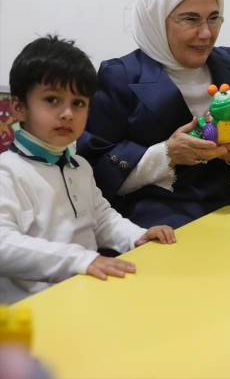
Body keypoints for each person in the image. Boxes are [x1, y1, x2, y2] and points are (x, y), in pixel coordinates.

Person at [76, 0, 230, 229]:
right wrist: (167, 154)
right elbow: (95, 170)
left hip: (222, 204)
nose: (206, 33)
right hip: (150, 215)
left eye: (213, 18)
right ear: (155, 20)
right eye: (190, 19)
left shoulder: (227, 63)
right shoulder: (121, 75)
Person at [0, 36, 176, 305]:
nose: (67, 113)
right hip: (32, 309)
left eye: (79, 103)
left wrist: (137, 236)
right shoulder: (7, 172)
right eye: (52, 99)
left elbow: (102, 219)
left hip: (84, 296)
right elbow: (3, 245)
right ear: (19, 107)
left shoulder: (79, 166)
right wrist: (80, 260)